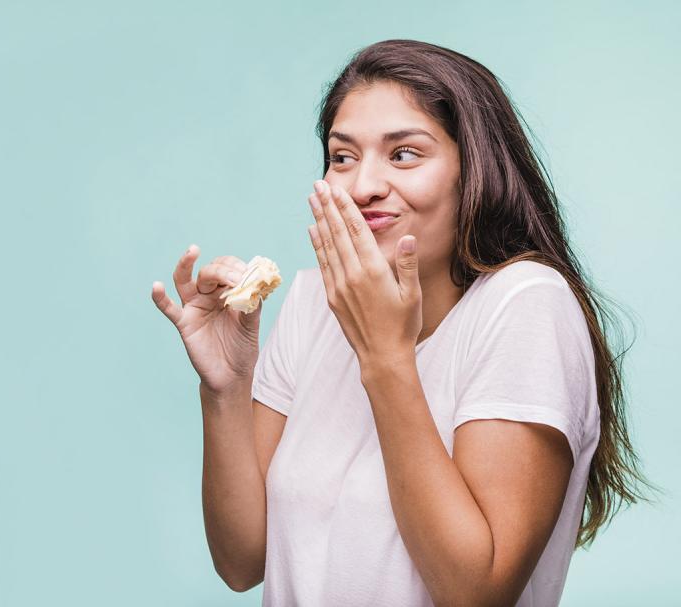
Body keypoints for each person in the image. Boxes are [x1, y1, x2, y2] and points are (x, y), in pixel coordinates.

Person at [151, 39, 657, 607]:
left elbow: (477, 592)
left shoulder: (526, 303)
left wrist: (384, 358)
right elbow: (243, 561)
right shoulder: (313, 303)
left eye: (404, 154)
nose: (362, 186)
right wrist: (225, 388)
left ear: (475, 171)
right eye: (343, 157)